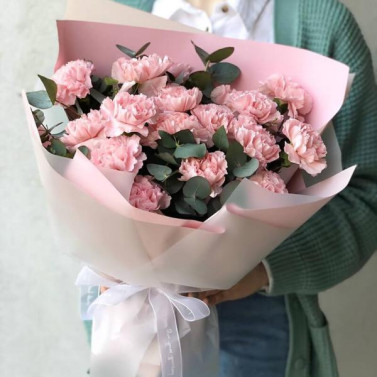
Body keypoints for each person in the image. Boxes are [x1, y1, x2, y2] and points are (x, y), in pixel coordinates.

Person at [105, 1, 377, 376]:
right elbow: (71, 148)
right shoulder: (112, 8)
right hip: (131, 307)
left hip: (260, 317)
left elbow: (365, 195)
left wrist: (261, 268)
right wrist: (112, 259)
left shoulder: (320, 21)